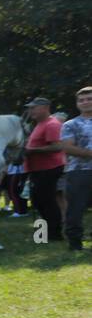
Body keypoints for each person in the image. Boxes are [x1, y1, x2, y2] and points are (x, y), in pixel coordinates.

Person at [23, 97, 66, 241]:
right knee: (37, 201)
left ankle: (54, 234)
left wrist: (32, 150)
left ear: (45, 107)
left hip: (49, 168)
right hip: (37, 169)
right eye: (30, 108)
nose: (31, 111)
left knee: (47, 202)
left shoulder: (52, 124)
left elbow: (57, 146)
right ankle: (42, 234)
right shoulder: (39, 124)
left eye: (33, 108)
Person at [57, 87, 92, 250]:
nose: (85, 102)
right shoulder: (70, 124)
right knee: (75, 209)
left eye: (89, 99)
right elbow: (67, 147)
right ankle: (75, 243)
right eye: (81, 100)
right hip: (79, 172)